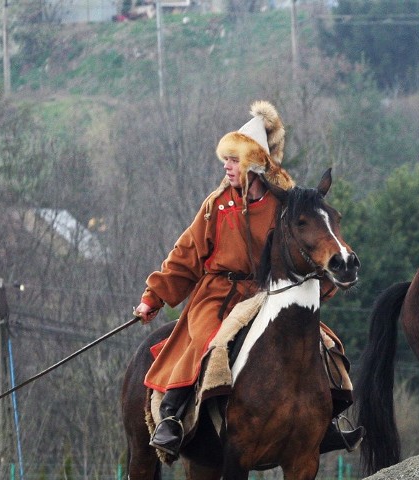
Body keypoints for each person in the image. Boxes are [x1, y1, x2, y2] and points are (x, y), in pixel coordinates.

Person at [134, 100, 363, 458]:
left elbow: (309, 245)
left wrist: (325, 279)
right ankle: (172, 417)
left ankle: (325, 424)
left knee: (323, 344)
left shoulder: (285, 205)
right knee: (201, 341)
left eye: (234, 159)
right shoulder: (216, 204)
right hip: (219, 293)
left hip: (269, 291)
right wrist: (154, 297)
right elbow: (186, 254)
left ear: (255, 164)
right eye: (226, 159)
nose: (226, 166)